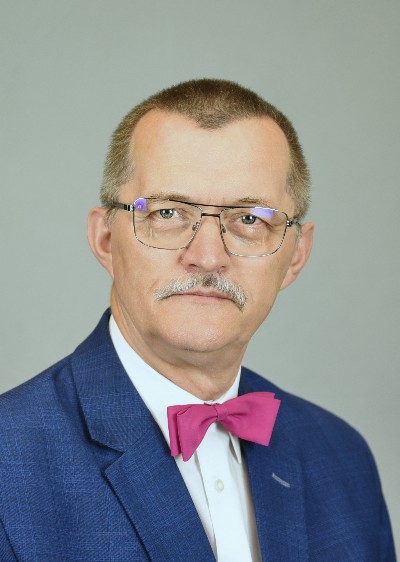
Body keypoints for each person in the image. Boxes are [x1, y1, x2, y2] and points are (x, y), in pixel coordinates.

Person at [0, 79, 395, 562]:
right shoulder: (8, 460)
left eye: (249, 219)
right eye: (167, 212)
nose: (207, 257)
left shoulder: (342, 458)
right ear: (106, 239)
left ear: (296, 254)